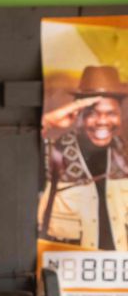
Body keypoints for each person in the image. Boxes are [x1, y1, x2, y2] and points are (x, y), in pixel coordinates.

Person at [39, 64, 128, 250]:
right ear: (79, 114)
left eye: (111, 113)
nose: (102, 121)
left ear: (120, 114)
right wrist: (47, 121)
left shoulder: (125, 155)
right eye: (92, 113)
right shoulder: (54, 154)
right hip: (70, 272)